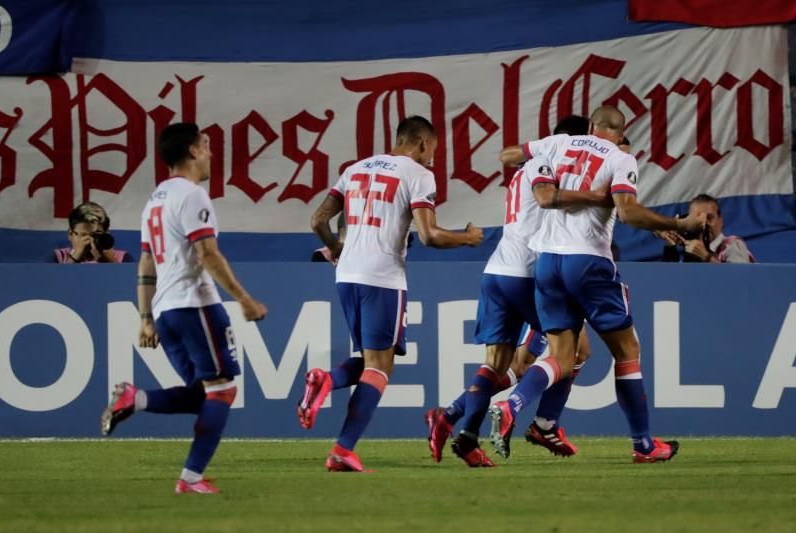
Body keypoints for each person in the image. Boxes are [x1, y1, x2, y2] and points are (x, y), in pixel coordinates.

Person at [490, 105, 705, 463]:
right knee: (627, 351)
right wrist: (681, 225)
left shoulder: (560, 143)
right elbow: (627, 211)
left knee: (563, 355)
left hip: (547, 262)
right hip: (588, 262)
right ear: (620, 134)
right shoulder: (621, 158)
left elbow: (510, 155)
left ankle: (513, 404)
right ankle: (643, 445)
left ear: (590, 126)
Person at [299, 115, 483, 472]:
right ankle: (341, 448)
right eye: (432, 151)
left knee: (371, 362)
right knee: (381, 368)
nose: (432, 159)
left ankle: (328, 384)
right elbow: (429, 235)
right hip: (382, 276)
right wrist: (467, 238)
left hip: (347, 276)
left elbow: (317, 220)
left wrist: (337, 250)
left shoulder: (354, 169)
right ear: (422, 144)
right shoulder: (418, 174)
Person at [100, 123, 267, 494]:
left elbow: (145, 262)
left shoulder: (154, 201)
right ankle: (191, 478)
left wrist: (145, 317)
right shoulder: (192, 196)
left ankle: (135, 398)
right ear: (192, 151)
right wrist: (244, 299)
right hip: (195, 304)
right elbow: (207, 254)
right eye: (206, 145)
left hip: (165, 311)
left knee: (201, 392)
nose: (210, 153)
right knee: (223, 390)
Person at [424, 116, 598, 467]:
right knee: (576, 351)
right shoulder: (546, 165)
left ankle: (460, 427)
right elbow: (551, 201)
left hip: (499, 271)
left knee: (502, 365)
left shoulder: (524, 169)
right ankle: (537, 419)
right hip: (531, 275)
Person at [657, 194, 756, 263]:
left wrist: (706, 257)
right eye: (697, 218)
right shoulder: (686, 249)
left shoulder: (732, 245)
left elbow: (740, 281)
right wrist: (670, 247)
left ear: (721, 220)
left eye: (709, 217)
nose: (704, 223)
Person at [50, 201, 133, 263]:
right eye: (83, 235)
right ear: (70, 234)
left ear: (106, 233)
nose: (90, 241)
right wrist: (74, 258)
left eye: (96, 235)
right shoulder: (58, 257)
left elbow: (129, 283)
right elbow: (50, 283)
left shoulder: (122, 258)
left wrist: (109, 262)